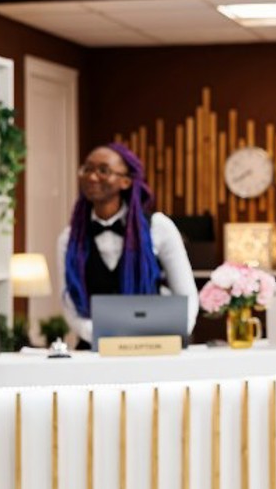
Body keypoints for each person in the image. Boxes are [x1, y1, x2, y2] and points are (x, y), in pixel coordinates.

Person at [57, 143, 197, 348]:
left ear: (126, 181)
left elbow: (187, 296)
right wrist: (105, 338)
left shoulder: (159, 227)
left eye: (103, 170)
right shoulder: (69, 238)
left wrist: (175, 334)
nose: (93, 177)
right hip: (94, 351)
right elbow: (69, 304)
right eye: (87, 169)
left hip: (155, 347)